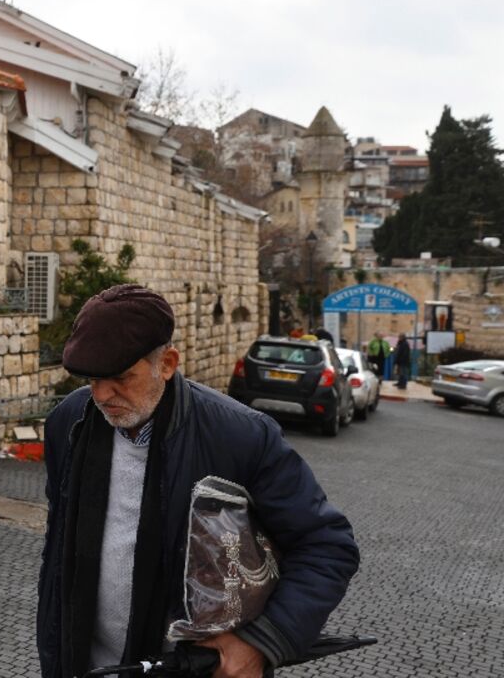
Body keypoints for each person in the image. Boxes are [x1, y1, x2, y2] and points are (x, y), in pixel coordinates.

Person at [37, 284, 359, 678]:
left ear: (167, 364)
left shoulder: (241, 436)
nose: (102, 395)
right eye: (90, 378)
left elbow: (326, 546)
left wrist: (262, 642)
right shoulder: (70, 422)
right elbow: (58, 542)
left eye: (121, 377)